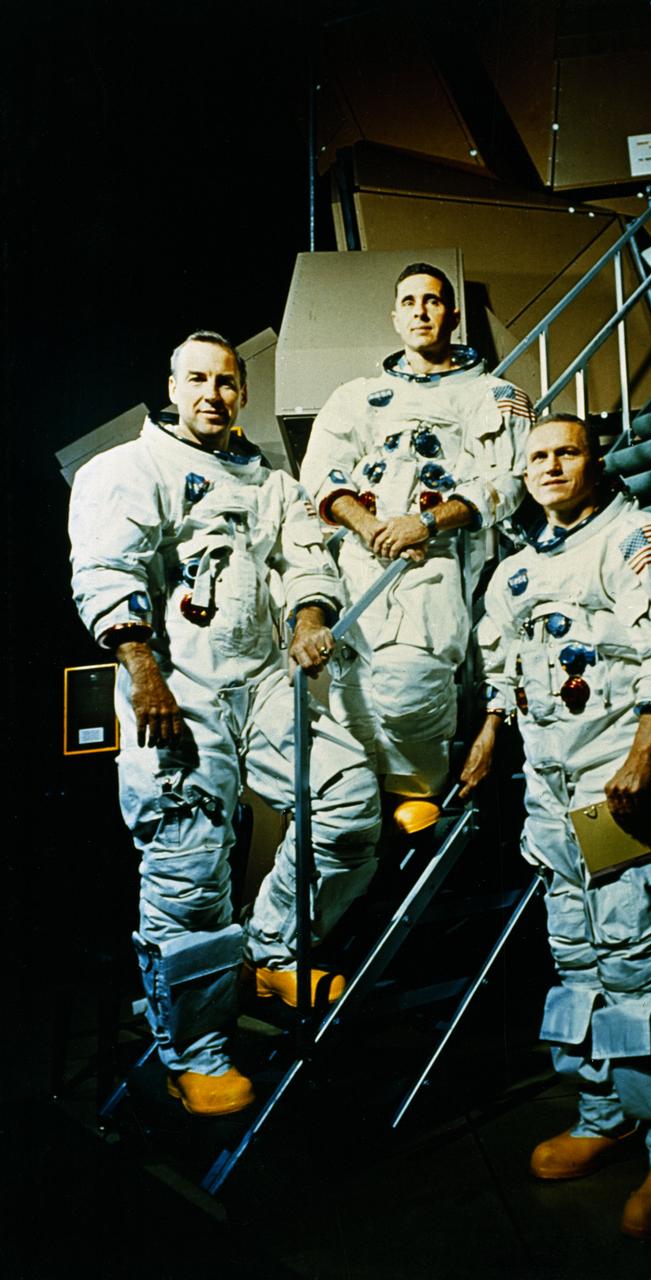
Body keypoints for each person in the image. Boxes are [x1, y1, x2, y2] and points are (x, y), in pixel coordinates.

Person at [69, 332, 381, 1117]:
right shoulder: (129, 470)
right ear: (172, 387)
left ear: (243, 394)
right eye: (198, 380)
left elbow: (307, 560)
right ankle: (196, 1051)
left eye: (228, 382)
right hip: (176, 687)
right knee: (188, 873)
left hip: (263, 679)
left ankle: (271, 951)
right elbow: (110, 569)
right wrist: (143, 676)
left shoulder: (269, 483)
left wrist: (311, 616)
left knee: (347, 807)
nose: (213, 393)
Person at [459, 414, 651, 1239]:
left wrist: (642, 756)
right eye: (535, 456)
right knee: (574, 958)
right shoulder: (517, 571)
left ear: (594, 459)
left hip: (611, 793)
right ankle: (602, 1113)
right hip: (549, 795)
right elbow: (508, 670)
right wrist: (491, 733)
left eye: (565, 451)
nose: (549, 466)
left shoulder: (643, 539)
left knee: (634, 955)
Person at [299, 263, 534, 825]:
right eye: (409, 302)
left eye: (432, 301)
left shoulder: (496, 395)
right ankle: (364, 810)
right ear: (396, 316)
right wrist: (368, 526)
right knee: (352, 698)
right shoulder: (358, 396)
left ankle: (420, 793)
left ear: (451, 315)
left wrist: (424, 525)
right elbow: (321, 471)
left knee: (411, 688)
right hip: (359, 561)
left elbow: (506, 480)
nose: (420, 311)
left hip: (437, 563)